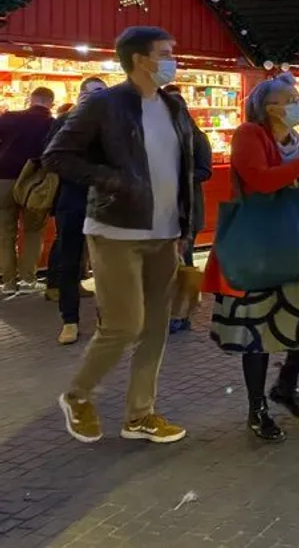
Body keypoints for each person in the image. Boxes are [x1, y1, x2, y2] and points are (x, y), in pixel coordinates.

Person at [44, 26, 195, 445]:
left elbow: (188, 165)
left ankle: (140, 415)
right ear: (140, 60)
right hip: (116, 230)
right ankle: (76, 395)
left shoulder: (173, 106)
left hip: (165, 233)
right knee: (126, 324)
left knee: (156, 328)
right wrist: (109, 179)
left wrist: (185, 226)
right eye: (165, 53)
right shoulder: (104, 104)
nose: (172, 60)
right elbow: (56, 155)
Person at [203, 74, 299, 442]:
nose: (298, 103)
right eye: (290, 98)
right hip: (258, 248)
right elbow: (259, 181)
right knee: (256, 332)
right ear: (269, 107)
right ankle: (256, 408)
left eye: (297, 97)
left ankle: (286, 384)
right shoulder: (249, 135)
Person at [46, 77, 105, 344]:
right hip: (73, 201)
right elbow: (51, 158)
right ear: (81, 96)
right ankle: (69, 320)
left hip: (106, 204)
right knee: (70, 262)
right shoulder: (64, 123)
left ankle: (108, 319)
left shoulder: (115, 125)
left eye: (103, 93)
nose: (98, 97)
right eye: (92, 93)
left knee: (107, 265)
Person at [162, 85, 213, 334]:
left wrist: (182, 176)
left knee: (184, 260)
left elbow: (206, 170)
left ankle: (181, 314)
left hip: (186, 208)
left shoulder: (196, 137)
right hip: (159, 208)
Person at [0, 86, 56, 295]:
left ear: (30, 100)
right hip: (35, 183)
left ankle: (7, 282)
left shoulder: (9, 117)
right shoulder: (51, 124)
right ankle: (27, 280)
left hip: (3, 178)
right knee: (33, 231)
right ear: (51, 103)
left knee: (5, 232)